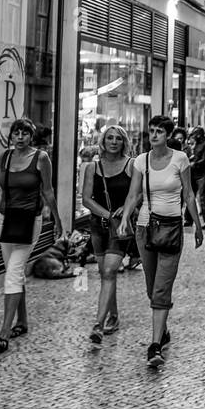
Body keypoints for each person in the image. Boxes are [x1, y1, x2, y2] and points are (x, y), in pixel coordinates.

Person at [117, 117, 204, 368]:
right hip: (145, 228)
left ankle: (154, 345)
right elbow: (134, 194)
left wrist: (197, 224)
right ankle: (163, 330)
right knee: (151, 287)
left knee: (162, 288)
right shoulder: (141, 161)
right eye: (151, 131)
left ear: (168, 135)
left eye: (159, 132)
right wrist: (125, 219)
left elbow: (188, 193)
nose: (153, 135)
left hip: (172, 229)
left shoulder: (180, 159)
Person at [0, 117, 65, 352]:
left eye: (24, 134)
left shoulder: (41, 158)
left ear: (31, 136)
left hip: (30, 221)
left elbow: (48, 191)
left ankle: (4, 334)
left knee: (14, 272)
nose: (19, 138)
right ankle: (23, 321)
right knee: (13, 272)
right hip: (5, 220)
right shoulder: (5, 157)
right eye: (16, 133)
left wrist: (58, 222)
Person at [81, 124, 132, 344]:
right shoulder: (93, 167)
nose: (113, 142)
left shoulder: (131, 165)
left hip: (120, 227)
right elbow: (86, 199)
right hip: (98, 225)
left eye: (118, 139)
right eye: (110, 138)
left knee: (110, 271)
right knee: (105, 273)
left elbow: (137, 193)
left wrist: (127, 209)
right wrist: (107, 214)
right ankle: (114, 315)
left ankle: (98, 325)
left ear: (123, 142)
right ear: (103, 141)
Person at [186, 126, 205, 232]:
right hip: (194, 173)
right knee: (190, 196)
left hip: (203, 174)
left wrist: (194, 164)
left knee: (203, 198)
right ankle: (188, 219)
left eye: (194, 135)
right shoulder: (195, 145)